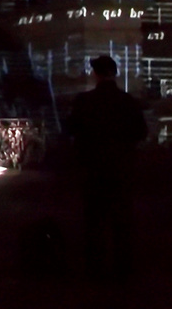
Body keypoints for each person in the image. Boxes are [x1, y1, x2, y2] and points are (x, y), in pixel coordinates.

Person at [63, 55, 146, 281]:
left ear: (96, 74)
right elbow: (141, 132)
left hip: (93, 169)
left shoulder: (85, 101)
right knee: (122, 222)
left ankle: (95, 270)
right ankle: (123, 270)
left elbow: (70, 129)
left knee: (94, 222)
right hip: (121, 168)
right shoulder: (128, 101)